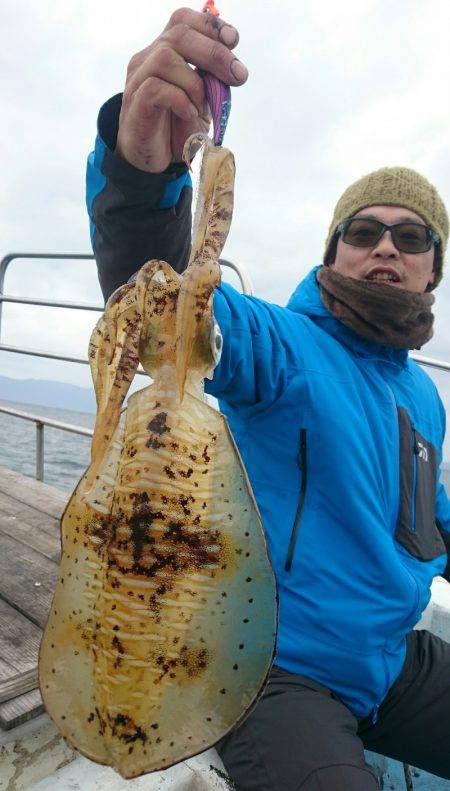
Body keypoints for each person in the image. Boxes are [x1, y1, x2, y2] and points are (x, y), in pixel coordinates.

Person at [86, 8, 450, 789]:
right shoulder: (281, 345)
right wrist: (142, 174)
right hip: (276, 671)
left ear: (431, 272)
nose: (386, 244)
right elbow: (166, 300)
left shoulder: (424, 398)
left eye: (412, 237)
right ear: (333, 254)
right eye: (363, 229)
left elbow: (429, 520)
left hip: (389, 661)